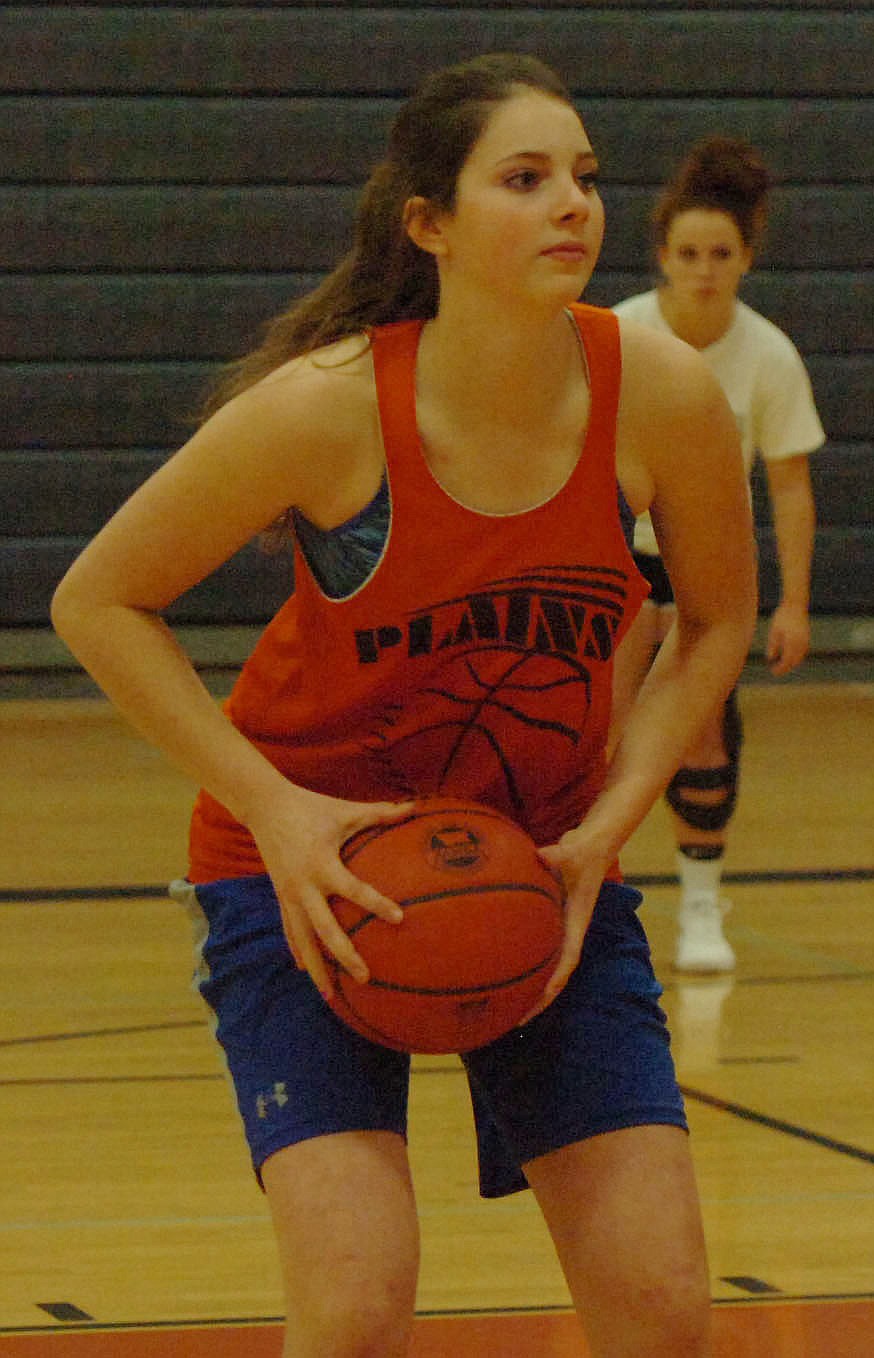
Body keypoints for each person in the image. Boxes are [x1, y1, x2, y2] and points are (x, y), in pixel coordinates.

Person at [51, 54, 757, 1358]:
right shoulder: (325, 411)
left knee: (661, 1314)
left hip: (540, 865)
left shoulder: (657, 394)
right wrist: (274, 811)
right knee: (359, 1310)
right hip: (308, 872)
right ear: (426, 222)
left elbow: (714, 619)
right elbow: (96, 601)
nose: (572, 207)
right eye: (525, 178)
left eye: (586, 180)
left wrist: (612, 816)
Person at [611, 136, 825, 975]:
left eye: (721, 254)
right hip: (615, 556)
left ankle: (702, 905)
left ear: (746, 260)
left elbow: (792, 489)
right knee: (602, 726)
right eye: (688, 253)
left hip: (707, 564)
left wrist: (795, 604)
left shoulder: (768, 355)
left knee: (699, 729)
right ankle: (597, 890)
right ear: (663, 256)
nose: (704, 269)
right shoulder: (618, 336)